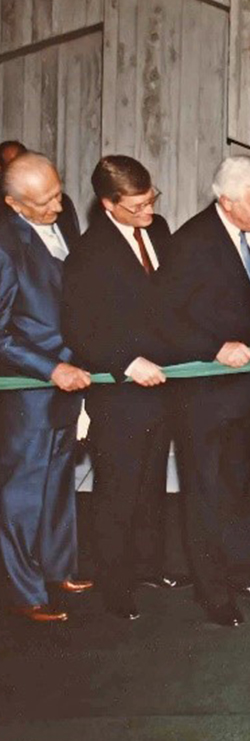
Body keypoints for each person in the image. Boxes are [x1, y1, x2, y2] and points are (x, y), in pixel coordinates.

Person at [62, 155, 191, 621]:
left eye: (151, 199)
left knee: (153, 481)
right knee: (118, 489)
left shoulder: (158, 231)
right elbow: (79, 328)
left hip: (163, 386)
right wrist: (126, 362)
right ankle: (116, 585)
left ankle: (148, 566)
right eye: (136, 206)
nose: (148, 211)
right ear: (108, 204)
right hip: (118, 392)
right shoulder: (88, 253)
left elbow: (172, 300)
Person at [157, 155, 250, 628]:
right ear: (226, 202)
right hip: (204, 398)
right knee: (205, 493)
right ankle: (212, 592)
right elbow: (163, 319)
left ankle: (240, 571)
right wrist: (214, 347)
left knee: (238, 487)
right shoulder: (190, 243)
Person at [0, 152, 92, 622]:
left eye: (58, 192)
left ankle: (58, 569)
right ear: (15, 204)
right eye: (44, 202)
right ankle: (24, 590)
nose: (58, 206)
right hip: (31, 389)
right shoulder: (4, 245)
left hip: (70, 378)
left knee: (58, 478)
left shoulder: (65, 214)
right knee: (22, 490)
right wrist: (49, 368)